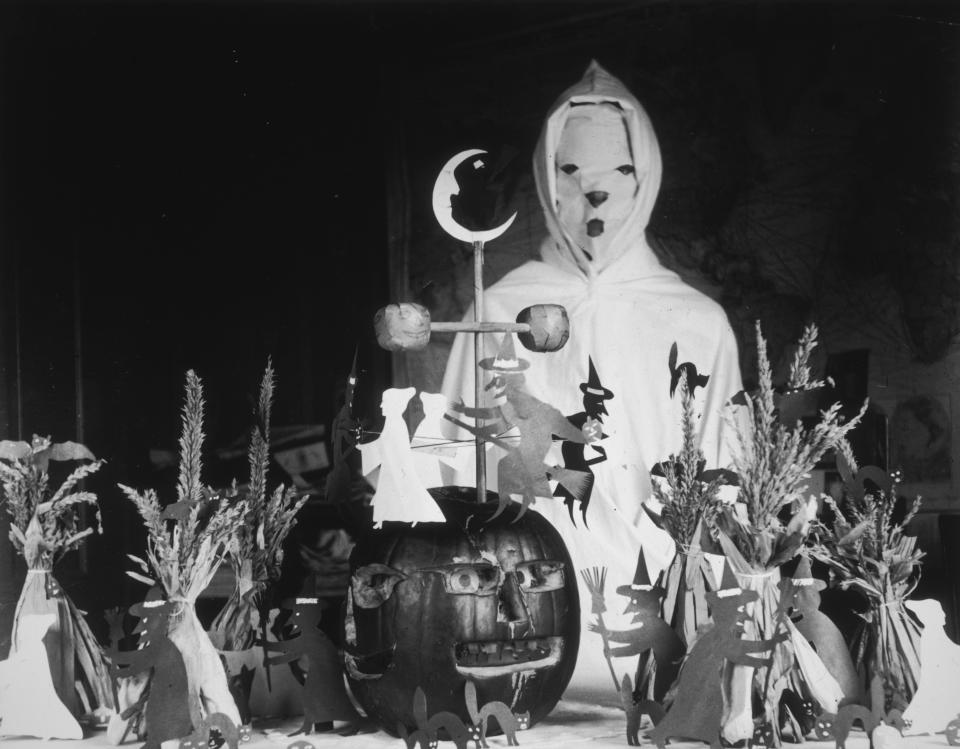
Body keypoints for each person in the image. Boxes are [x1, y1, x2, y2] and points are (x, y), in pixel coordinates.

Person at [440, 60, 743, 697]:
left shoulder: (698, 323)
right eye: (572, 173)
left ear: (647, 177)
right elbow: (455, 471)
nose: (595, 194)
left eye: (618, 172)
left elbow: (731, 481)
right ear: (547, 182)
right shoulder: (496, 310)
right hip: (524, 628)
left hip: (667, 629)